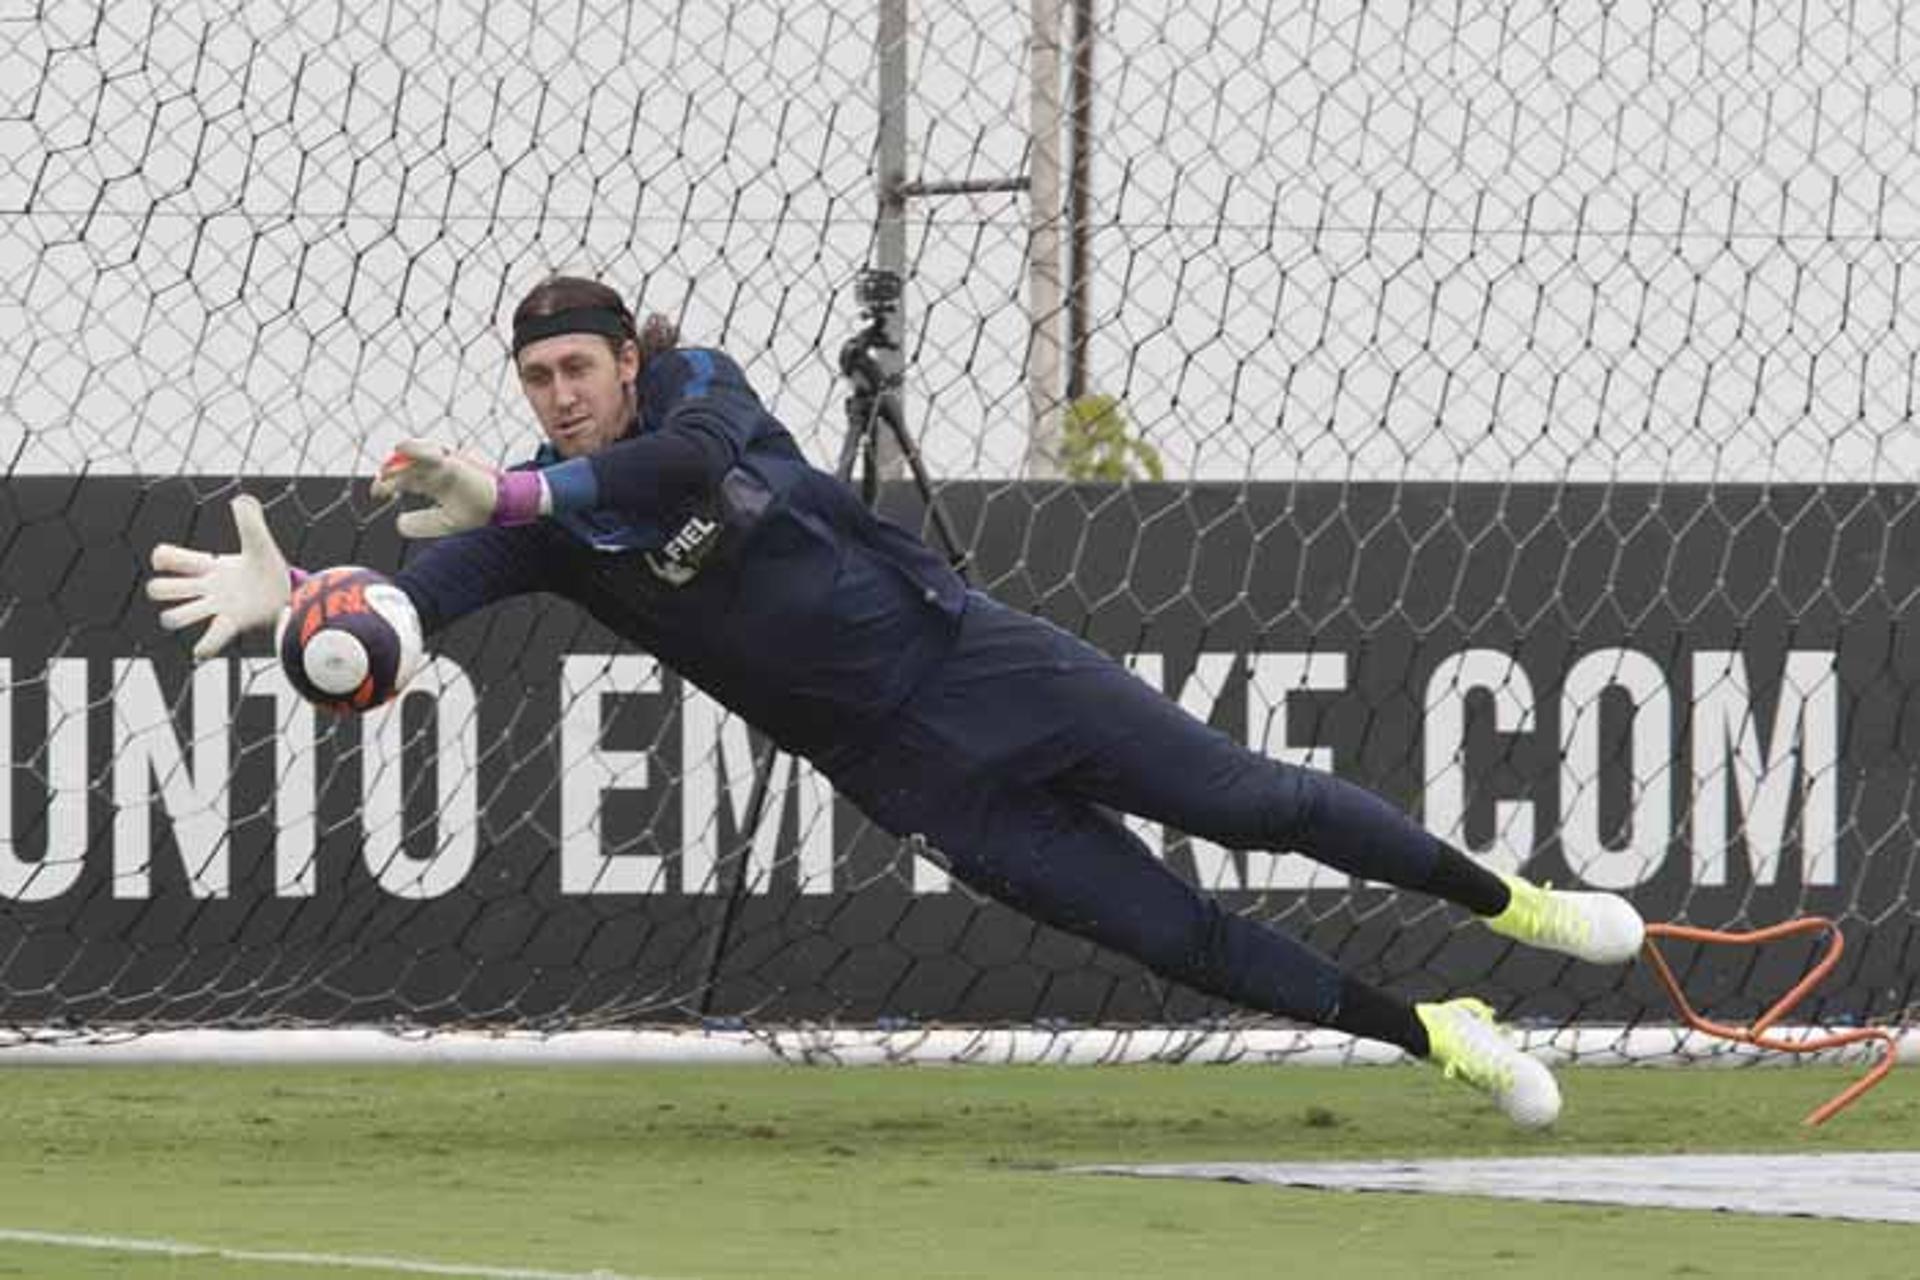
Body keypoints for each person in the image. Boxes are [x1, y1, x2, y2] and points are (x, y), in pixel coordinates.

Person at [146, 274, 1644, 1128]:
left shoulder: (697, 398)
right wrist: (329, 611)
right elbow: (433, 594)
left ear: (626, 358)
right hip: (902, 767)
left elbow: (678, 475)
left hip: (981, 660)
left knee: (1255, 801)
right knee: (1165, 935)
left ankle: (1511, 902)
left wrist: (519, 483)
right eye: (533, 376)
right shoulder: (534, 519)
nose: (555, 392)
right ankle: (1438, 1035)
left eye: (575, 366)